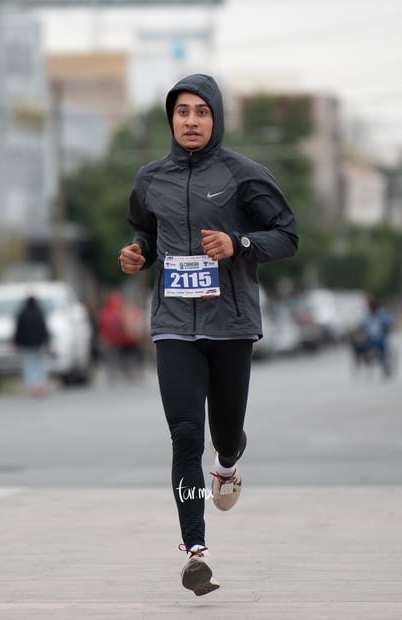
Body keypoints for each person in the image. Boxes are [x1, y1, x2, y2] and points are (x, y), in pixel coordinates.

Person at [119, 74, 298, 595]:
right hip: (174, 324)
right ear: (170, 118)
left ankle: (228, 463)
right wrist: (138, 253)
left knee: (223, 434)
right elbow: (145, 232)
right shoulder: (151, 178)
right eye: (181, 112)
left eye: (201, 111)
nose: (190, 121)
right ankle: (196, 551)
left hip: (230, 326)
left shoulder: (243, 174)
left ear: (215, 118)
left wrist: (238, 242)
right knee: (184, 435)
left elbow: (286, 236)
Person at [13, 295, 50, 397]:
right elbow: (44, 329)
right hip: (38, 343)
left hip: (26, 345)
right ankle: (40, 385)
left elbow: (18, 330)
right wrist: (47, 341)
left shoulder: (22, 314)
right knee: (40, 365)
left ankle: (31, 387)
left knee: (28, 365)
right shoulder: (39, 313)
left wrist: (16, 342)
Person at [351, 294, 394, 377]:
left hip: (380, 339)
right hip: (369, 339)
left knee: (382, 351)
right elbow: (361, 325)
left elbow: (388, 324)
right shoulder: (368, 316)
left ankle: (385, 365)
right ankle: (361, 362)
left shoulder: (383, 314)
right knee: (357, 345)